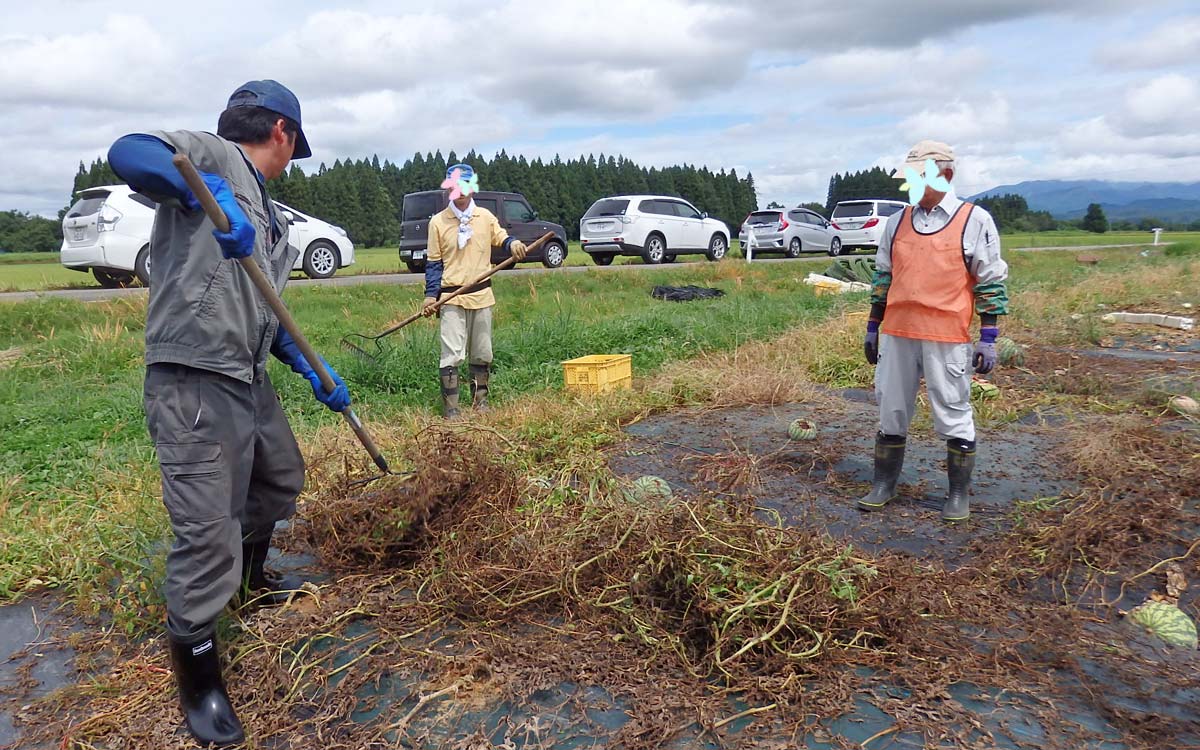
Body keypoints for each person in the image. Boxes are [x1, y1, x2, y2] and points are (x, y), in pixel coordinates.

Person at [107, 80, 351, 747]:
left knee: (278, 478)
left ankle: (248, 582)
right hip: (193, 376)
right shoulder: (213, 157)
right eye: (293, 147)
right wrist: (195, 194)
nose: (289, 157)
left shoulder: (271, 220)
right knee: (206, 525)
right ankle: (198, 672)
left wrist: (312, 369)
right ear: (284, 132)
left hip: (246, 375)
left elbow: (266, 316)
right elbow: (129, 151)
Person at [859, 140, 1009, 522]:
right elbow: (884, 277)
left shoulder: (974, 220)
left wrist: (988, 337)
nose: (911, 185)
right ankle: (884, 485)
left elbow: (989, 281)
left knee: (953, 411)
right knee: (891, 409)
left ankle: (957, 494)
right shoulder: (897, 222)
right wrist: (873, 326)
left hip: (946, 335)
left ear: (946, 175)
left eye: (918, 177)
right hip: (897, 332)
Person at [421, 164, 527, 417]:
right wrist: (430, 296)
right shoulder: (437, 222)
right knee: (451, 354)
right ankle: (452, 410)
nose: (460, 191)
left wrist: (514, 245)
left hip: (481, 295)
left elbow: (502, 238)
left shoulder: (485, 217)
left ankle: (480, 403)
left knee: (482, 351)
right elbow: (434, 264)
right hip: (451, 297)